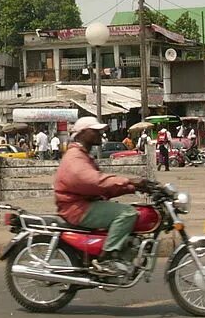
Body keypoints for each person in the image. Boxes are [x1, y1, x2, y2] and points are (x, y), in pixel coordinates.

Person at [53, 117, 142, 275]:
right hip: (77, 208)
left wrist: (131, 188)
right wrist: (130, 181)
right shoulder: (75, 156)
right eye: (95, 131)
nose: (100, 133)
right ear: (82, 134)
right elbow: (95, 181)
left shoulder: (82, 155)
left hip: (82, 204)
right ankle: (107, 258)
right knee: (127, 213)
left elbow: (102, 188)